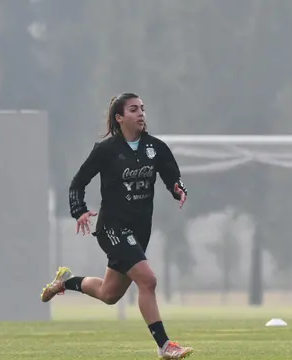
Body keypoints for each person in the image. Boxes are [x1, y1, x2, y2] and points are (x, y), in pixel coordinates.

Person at [40, 93, 194, 360]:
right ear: (119, 118)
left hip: (139, 230)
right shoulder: (106, 150)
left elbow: (171, 173)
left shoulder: (155, 148)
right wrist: (79, 211)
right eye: (134, 109)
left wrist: (176, 188)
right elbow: (78, 182)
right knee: (148, 280)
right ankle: (165, 346)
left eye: (143, 109)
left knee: (109, 294)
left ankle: (65, 282)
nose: (141, 113)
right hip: (113, 228)